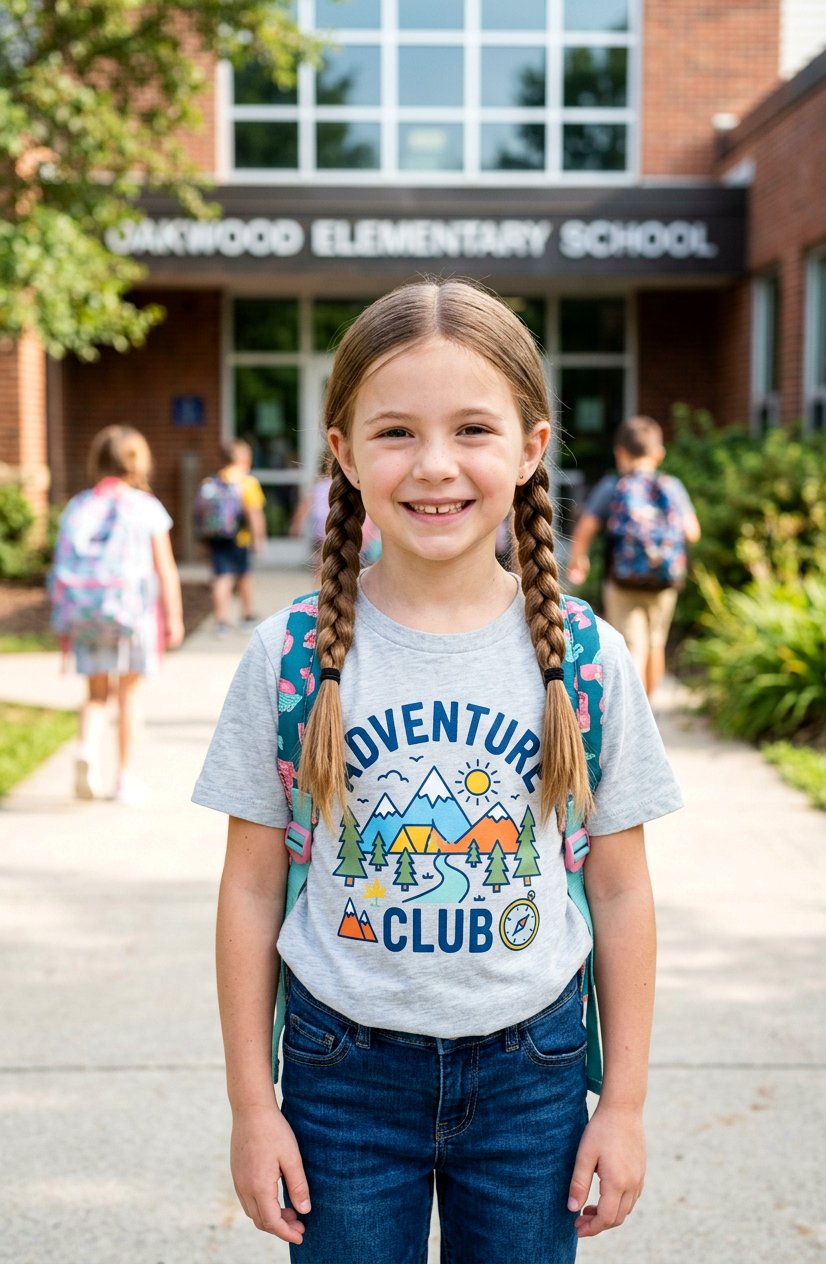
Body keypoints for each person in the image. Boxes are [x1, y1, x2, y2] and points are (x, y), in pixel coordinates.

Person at [193, 280, 683, 1263]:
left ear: (531, 448)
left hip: (531, 1077)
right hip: (339, 1078)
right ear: (341, 452)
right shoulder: (289, 657)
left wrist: (620, 1102)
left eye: (470, 429)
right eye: (394, 433)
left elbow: (619, 891)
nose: (433, 466)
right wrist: (253, 1106)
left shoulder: (583, 659)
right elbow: (249, 890)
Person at [51, 425, 183, 804]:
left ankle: (86, 750)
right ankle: (124, 778)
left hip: (87, 613)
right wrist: (173, 617)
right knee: (129, 696)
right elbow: (165, 567)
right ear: (138, 462)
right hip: (133, 615)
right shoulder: (146, 507)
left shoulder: (79, 505)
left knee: (96, 694)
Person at [566, 416, 701, 699]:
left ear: (620, 453)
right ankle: (649, 711)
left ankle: (633, 714)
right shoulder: (671, 486)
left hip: (622, 581)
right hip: (664, 580)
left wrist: (579, 559)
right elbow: (692, 532)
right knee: (655, 644)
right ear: (659, 454)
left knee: (630, 647)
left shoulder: (613, 486)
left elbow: (586, 528)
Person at [205, 439, 267, 633]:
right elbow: (254, 514)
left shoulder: (211, 482)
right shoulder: (247, 483)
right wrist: (259, 539)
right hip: (240, 539)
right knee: (244, 576)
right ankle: (247, 615)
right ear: (246, 460)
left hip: (217, 538)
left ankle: (221, 621)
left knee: (221, 577)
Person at [291, 454, 382, 581]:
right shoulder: (357, 485)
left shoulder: (319, 486)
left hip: (324, 531)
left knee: (324, 567)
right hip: (352, 532)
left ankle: (321, 591)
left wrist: (296, 526)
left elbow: (304, 507)